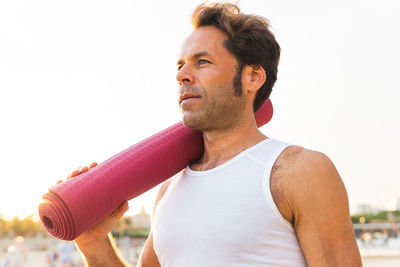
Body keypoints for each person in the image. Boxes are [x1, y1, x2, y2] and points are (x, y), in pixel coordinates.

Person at [62, 2, 362, 266]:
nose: (182, 75)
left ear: (253, 76)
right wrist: (94, 243)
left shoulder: (298, 170)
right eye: (181, 65)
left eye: (202, 62)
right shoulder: (169, 190)